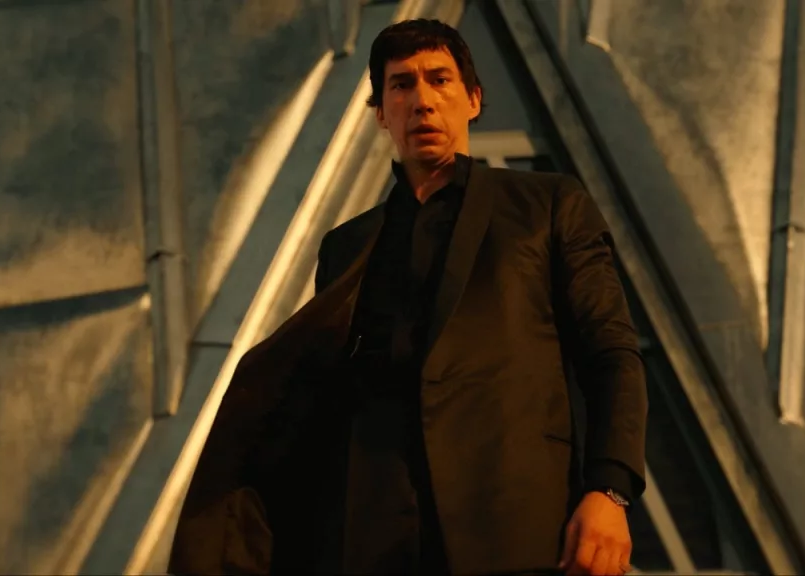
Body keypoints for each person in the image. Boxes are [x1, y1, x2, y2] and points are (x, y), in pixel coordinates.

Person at [169, 19, 647, 576]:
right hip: (375, 543)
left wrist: (609, 490)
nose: (422, 101)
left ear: (473, 99)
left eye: (439, 80)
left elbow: (611, 354)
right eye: (401, 85)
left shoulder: (549, 205)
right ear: (380, 113)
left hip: (515, 531)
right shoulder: (347, 247)